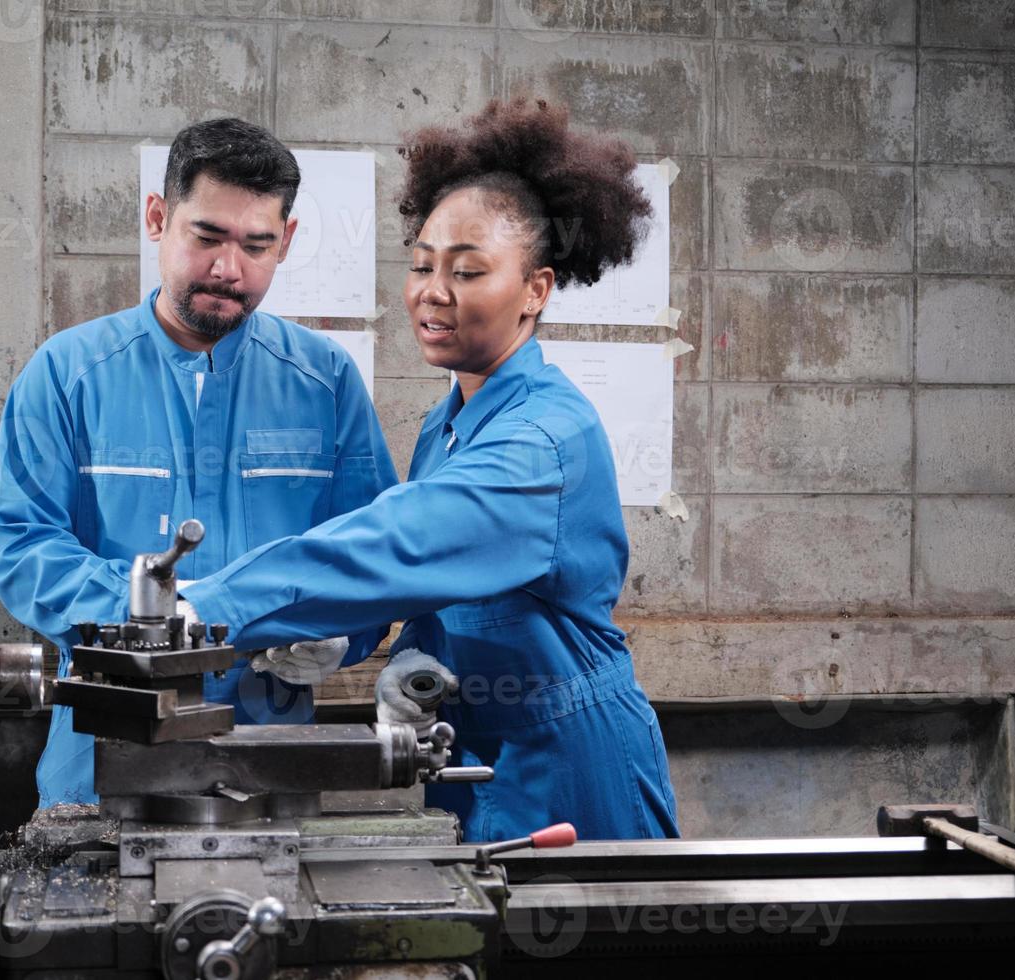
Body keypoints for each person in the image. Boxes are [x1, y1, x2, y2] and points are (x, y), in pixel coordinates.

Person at [181, 98, 679, 842]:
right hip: (483, 762)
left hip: (576, 768)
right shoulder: (448, 425)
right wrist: (415, 662)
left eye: (469, 271)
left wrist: (198, 608)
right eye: (421, 265)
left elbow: (400, 542)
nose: (433, 292)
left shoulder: (542, 441)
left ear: (536, 290)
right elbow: (439, 591)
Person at [0, 118, 398, 808]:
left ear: (286, 242)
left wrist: (344, 636)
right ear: (157, 218)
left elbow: (371, 551)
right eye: (206, 237)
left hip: (272, 759)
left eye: (256, 245)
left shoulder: (325, 383)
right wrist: (153, 623)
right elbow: (23, 547)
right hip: (103, 754)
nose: (228, 269)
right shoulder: (67, 375)